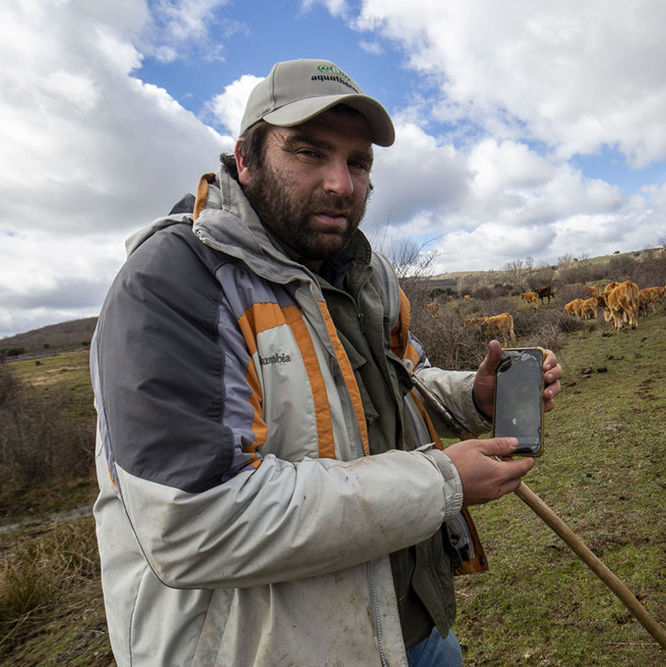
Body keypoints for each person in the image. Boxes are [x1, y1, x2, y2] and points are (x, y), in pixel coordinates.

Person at [90, 58, 562, 666]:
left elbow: (400, 384)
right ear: (245, 157)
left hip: (408, 627)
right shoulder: (176, 282)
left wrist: (473, 397)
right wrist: (441, 481)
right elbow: (197, 522)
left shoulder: (364, 275)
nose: (342, 183)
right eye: (310, 153)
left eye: (358, 162)